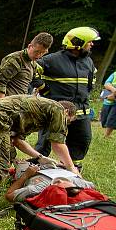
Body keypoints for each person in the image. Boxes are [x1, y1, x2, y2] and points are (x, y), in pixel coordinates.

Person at [0, 95, 78, 217]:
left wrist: (40, 157)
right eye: (68, 121)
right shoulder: (58, 109)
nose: (66, 124)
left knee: (8, 154)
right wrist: (71, 169)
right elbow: (58, 144)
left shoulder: (41, 111)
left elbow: (16, 140)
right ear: (67, 112)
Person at [33, 27, 100, 169]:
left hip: (81, 114)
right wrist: (44, 90)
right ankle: (34, 170)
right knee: (44, 143)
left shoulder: (88, 62)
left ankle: (71, 170)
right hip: (56, 112)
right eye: (89, 42)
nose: (92, 44)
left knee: (82, 141)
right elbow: (32, 72)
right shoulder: (51, 60)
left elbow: (89, 84)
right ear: (77, 42)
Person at [0, 32, 54, 99]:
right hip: (7, 104)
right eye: (37, 51)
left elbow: (32, 83)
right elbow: (0, 83)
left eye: (42, 53)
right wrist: (2, 104)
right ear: (30, 46)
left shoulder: (33, 63)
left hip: (20, 104)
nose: (39, 55)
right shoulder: (15, 59)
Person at [5, 162, 95, 203]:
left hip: (29, 169)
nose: (60, 180)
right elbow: (89, 186)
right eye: (66, 181)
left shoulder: (37, 189)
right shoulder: (79, 184)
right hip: (55, 166)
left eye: (58, 183)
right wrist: (73, 171)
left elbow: (9, 195)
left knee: (19, 161)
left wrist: (26, 175)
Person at [100, 71, 116, 138]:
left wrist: (114, 97)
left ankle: (106, 136)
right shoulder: (115, 74)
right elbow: (106, 84)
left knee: (111, 120)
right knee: (104, 120)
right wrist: (114, 91)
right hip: (107, 101)